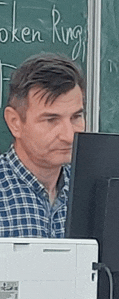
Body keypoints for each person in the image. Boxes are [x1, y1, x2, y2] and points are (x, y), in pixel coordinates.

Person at [0, 52, 86, 237]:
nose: (69, 136)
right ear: (15, 122)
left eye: (76, 117)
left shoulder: (92, 190)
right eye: (51, 119)